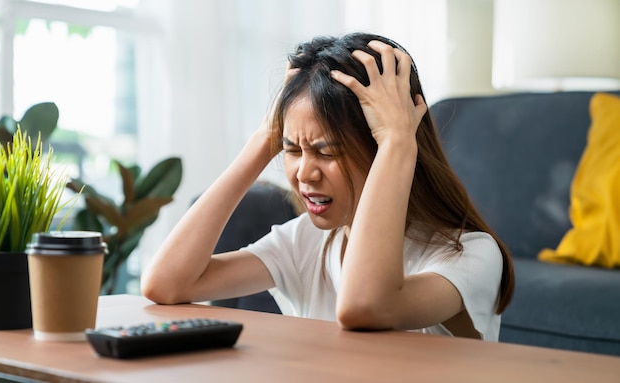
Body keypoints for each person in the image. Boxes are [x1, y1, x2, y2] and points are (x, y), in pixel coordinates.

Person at [141, 32, 515, 341]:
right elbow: (167, 284)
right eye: (291, 150)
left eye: (327, 152)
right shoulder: (306, 242)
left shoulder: (468, 255)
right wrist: (262, 141)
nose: (305, 174)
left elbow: (365, 307)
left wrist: (400, 143)